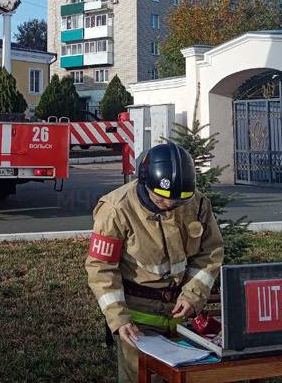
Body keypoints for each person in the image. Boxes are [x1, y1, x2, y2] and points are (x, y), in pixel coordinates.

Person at [85, 141, 224, 383]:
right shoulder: (117, 209)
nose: (170, 204)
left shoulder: (196, 203)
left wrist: (193, 295)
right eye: (161, 200)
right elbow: (101, 268)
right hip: (137, 321)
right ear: (144, 183)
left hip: (182, 316)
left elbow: (210, 252)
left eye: (178, 201)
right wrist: (118, 319)